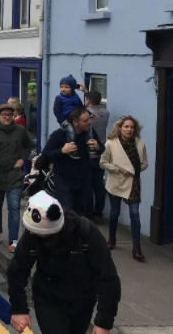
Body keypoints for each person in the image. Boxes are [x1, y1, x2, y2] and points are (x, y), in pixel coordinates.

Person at [7, 192, 120, 334]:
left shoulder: (86, 233)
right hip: (48, 300)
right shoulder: (32, 236)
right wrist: (19, 309)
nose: (29, 234)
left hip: (82, 303)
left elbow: (108, 277)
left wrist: (103, 322)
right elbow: (16, 272)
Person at [0, 104, 33, 253]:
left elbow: (28, 146)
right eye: (4, 114)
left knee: (14, 207)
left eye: (9, 115)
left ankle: (13, 240)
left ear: (13, 116)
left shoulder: (20, 130)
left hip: (14, 176)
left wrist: (22, 159)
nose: (7, 117)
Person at [100, 116, 148, 262]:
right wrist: (118, 169)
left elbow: (144, 164)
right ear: (120, 128)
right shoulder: (110, 143)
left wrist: (133, 171)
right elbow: (103, 163)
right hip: (116, 183)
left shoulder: (140, 144)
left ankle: (136, 247)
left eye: (132, 127)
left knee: (135, 215)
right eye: (126, 126)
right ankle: (112, 238)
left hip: (133, 183)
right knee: (114, 213)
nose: (129, 129)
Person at [37, 107, 103, 214]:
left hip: (83, 179)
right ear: (76, 123)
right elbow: (45, 154)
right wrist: (62, 150)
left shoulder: (90, 133)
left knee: (81, 213)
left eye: (89, 119)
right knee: (67, 212)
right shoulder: (59, 135)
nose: (89, 122)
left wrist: (98, 147)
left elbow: (101, 150)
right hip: (64, 180)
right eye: (85, 120)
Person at [86, 91, 111, 223]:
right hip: (100, 152)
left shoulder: (85, 114)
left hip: (88, 154)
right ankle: (99, 213)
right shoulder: (106, 114)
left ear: (88, 101)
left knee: (88, 185)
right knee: (99, 185)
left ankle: (89, 213)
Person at [53, 75, 87, 145]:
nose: (63, 89)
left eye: (66, 87)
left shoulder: (76, 96)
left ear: (72, 88)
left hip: (76, 118)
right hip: (66, 120)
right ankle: (71, 147)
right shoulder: (59, 98)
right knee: (70, 131)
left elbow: (81, 107)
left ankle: (89, 143)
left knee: (88, 127)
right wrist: (62, 121)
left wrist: (89, 114)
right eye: (61, 87)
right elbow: (56, 111)